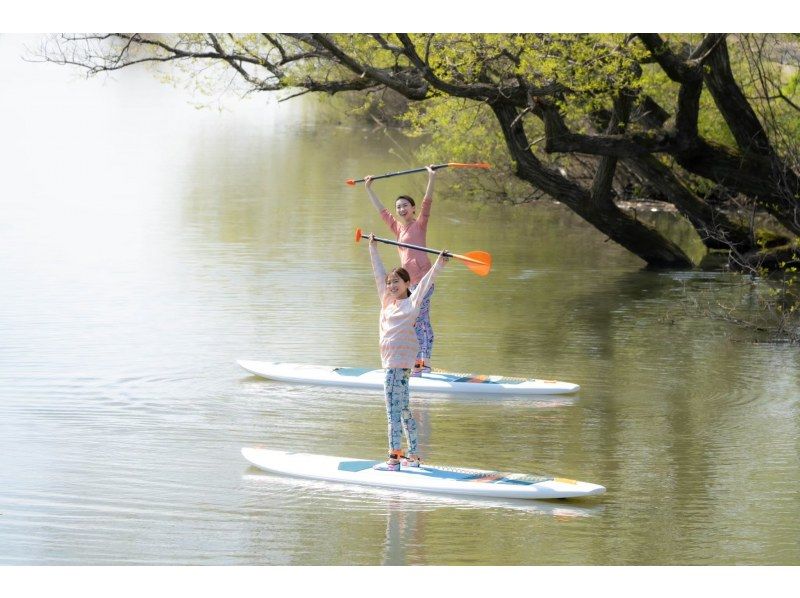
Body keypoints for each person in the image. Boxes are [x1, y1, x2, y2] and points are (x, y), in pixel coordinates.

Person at [368, 233, 448, 470]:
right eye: (390, 283)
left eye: (396, 282)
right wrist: (373, 247)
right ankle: (413, 456)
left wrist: (439, 263)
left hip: (396, 369)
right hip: (397, 367)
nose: (391, 286)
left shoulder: (412, 304)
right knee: (403, 410)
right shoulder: (387, 302)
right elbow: (378, 273)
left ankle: (394, 458)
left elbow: (425, 283)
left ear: (406, 284)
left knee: (392, 412)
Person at [364, 165, 437, 375]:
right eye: (398, 207)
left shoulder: (420, 224)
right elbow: (382, 212)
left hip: (424, 281)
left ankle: (423, 363)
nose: (402, 209)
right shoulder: (397, 229)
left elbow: (427, 202)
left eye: (405, 206)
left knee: (420, 320)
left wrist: (431, 177)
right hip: (408, 284)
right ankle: (418, 361)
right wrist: (369, 188)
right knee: (413, 321)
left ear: (413, 208)